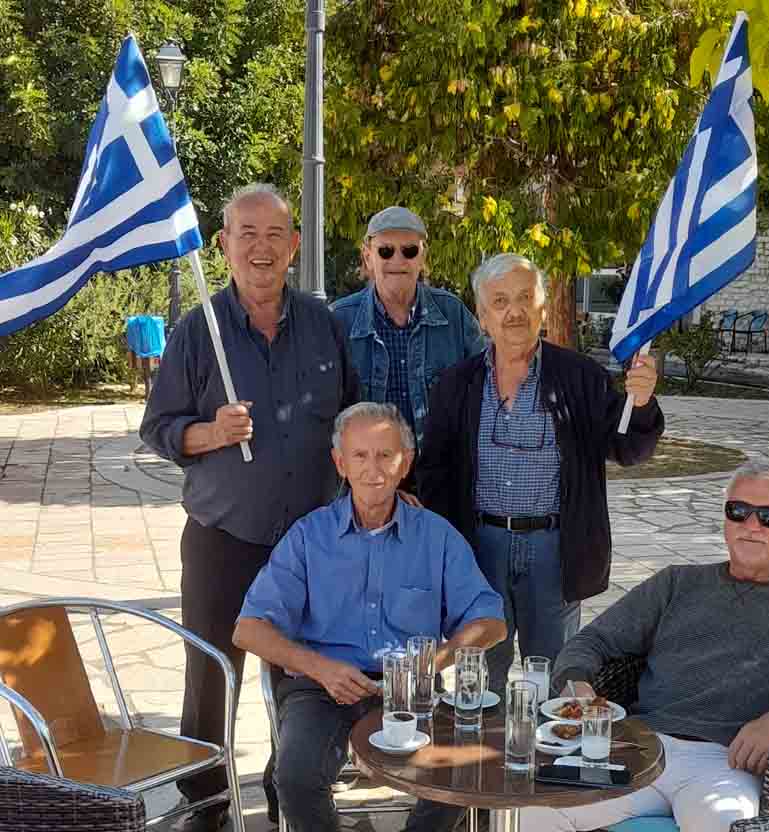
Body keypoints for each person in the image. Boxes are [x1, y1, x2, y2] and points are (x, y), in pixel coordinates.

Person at [140, 183, 359, 832]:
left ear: (295, 245)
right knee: (212, 679)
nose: (261, 248)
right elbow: (158, 427)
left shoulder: (324, 326)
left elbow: (353, 416)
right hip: (222, 540)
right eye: (247, 234)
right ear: (224, 244)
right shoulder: (196, 330)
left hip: (308, 545)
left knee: (303, 681)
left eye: (274, 235)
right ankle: (206, 805)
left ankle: (292, 791)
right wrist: (211, 433)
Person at [522, 456, 769, 832]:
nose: (751, 526)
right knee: (530, 811)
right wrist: (577, 685)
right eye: (738, 511)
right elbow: (591, 640)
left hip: (727, 764)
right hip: (642, 749)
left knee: (720, 824)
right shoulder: (676, 583)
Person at [233, 402, 506, 832]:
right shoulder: (309, 536)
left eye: (385, 455)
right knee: (296, 778)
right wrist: (320, 668)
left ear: (405, 464)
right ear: (340, 463)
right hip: (322, 688)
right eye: (359, 455)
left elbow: (491, 622)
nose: (373, 469)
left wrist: (432, 662)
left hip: (413, 690)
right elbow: (248, 629)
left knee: (463, 770)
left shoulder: (437, 536)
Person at [417, 253, 663, 698]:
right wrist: (441, 550)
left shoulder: (581, 377)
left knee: (553, 675)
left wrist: (642, 403)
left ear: (542, 309)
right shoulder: (457, 384)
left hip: (555, 551)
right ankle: (482, 743)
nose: (513, 311)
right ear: (482, 316)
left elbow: (627, 449)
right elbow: (434, 470)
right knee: (479, 679)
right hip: (480, 549)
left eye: (525, 298)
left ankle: (546, 746)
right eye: (500, 301)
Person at [330, 206, 484, 458]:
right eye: (386, 251)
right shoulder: (339, 320)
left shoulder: (453, 314)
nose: (398, 261)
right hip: (371, 474)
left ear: (423, 257)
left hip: (440, 470)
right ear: (368, 257)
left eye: (409, 251)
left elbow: (486, 386)